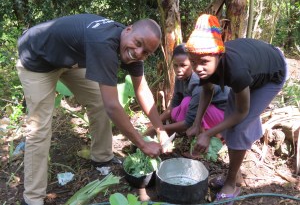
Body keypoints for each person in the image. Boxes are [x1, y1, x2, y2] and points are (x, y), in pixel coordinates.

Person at [16, 13, 169, 205]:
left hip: (70, 59)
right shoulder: (104, 43)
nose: (139, 53)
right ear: (128, 29)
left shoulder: (133, 46)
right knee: (39, 129)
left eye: (146, 52)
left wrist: (160, 130)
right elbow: (113, 106)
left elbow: (141, 88)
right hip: (37, 57)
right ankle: (32, 198)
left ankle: (102, 158)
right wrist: (144, 144)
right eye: (138, 44)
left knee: (98, 101)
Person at [185, 14, 288, 203]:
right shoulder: (203, 61)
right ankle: (234, 175)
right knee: (230, 123)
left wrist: (208, 134)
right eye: (193, 62)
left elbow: (242, 112)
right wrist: (196, 123)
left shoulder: (235, 70)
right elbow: (207, 91)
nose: (198, 68)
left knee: (239, 127)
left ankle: (231, 184)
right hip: (253, 72)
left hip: (273, 73)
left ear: (219, 55)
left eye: (203, 62)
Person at [146, 44, 229, 137]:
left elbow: (189, 122)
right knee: (179, 108)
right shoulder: (180, 78)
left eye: (183, 65)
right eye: (175, 66)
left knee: (186, 103)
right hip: (209, 112)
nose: (178, 70)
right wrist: (154, 123)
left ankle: (215, 134)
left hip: (225, 116)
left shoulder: (198, 81)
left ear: (193, 64)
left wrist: (158, 129)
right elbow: (174, 104)